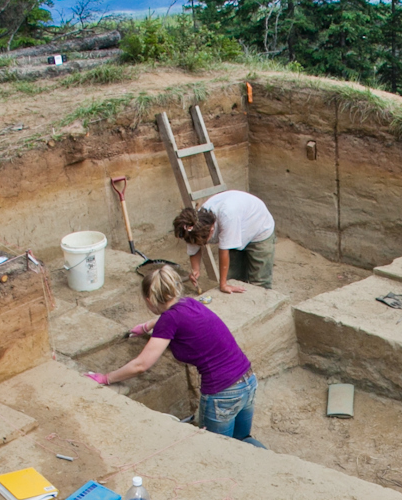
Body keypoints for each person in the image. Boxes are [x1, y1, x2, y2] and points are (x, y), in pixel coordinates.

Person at [86, 264, 266, 446]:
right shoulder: (190, 302)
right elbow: (173, 318)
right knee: (243, 441)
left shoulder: (169, 320)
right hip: (248, 380)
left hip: (222, 392)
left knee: (216, 448)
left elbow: (141, 364)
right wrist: (147, 326)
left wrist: (106, 378)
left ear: (149, 300)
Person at [172, 190, 276, 293]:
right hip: (238, 225)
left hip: (259, 227)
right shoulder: (194, 223)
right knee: (235, 280)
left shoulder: (227, 215)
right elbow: (193, 246)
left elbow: (224, 251)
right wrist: (195, 270)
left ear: (211, 229)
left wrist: (223, 284)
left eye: (204, 241)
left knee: (260, 281)